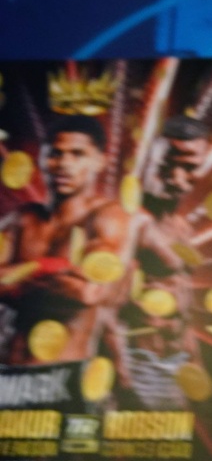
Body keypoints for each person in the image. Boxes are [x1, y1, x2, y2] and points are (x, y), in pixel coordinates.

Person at [0, 115, 133, 372]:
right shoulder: (22, 218)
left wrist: (16, 277)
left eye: (77, 154)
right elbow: (69, 284)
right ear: (42, 159)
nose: (64, 164)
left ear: (100, 161)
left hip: (62, 372)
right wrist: (54, 267)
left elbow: (88, 291)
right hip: (6, 368)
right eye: (55, 153)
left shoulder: (107, 216)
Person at [119, 114, 211, 409]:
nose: (176, 177)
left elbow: (183, 301)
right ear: (150, 160)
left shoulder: (182, 227)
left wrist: (195, 362)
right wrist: (122, 375)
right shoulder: (130, 222)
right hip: (138, 363)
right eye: (167, 164)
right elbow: (102, 307)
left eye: (190, 167)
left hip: (177, 362)